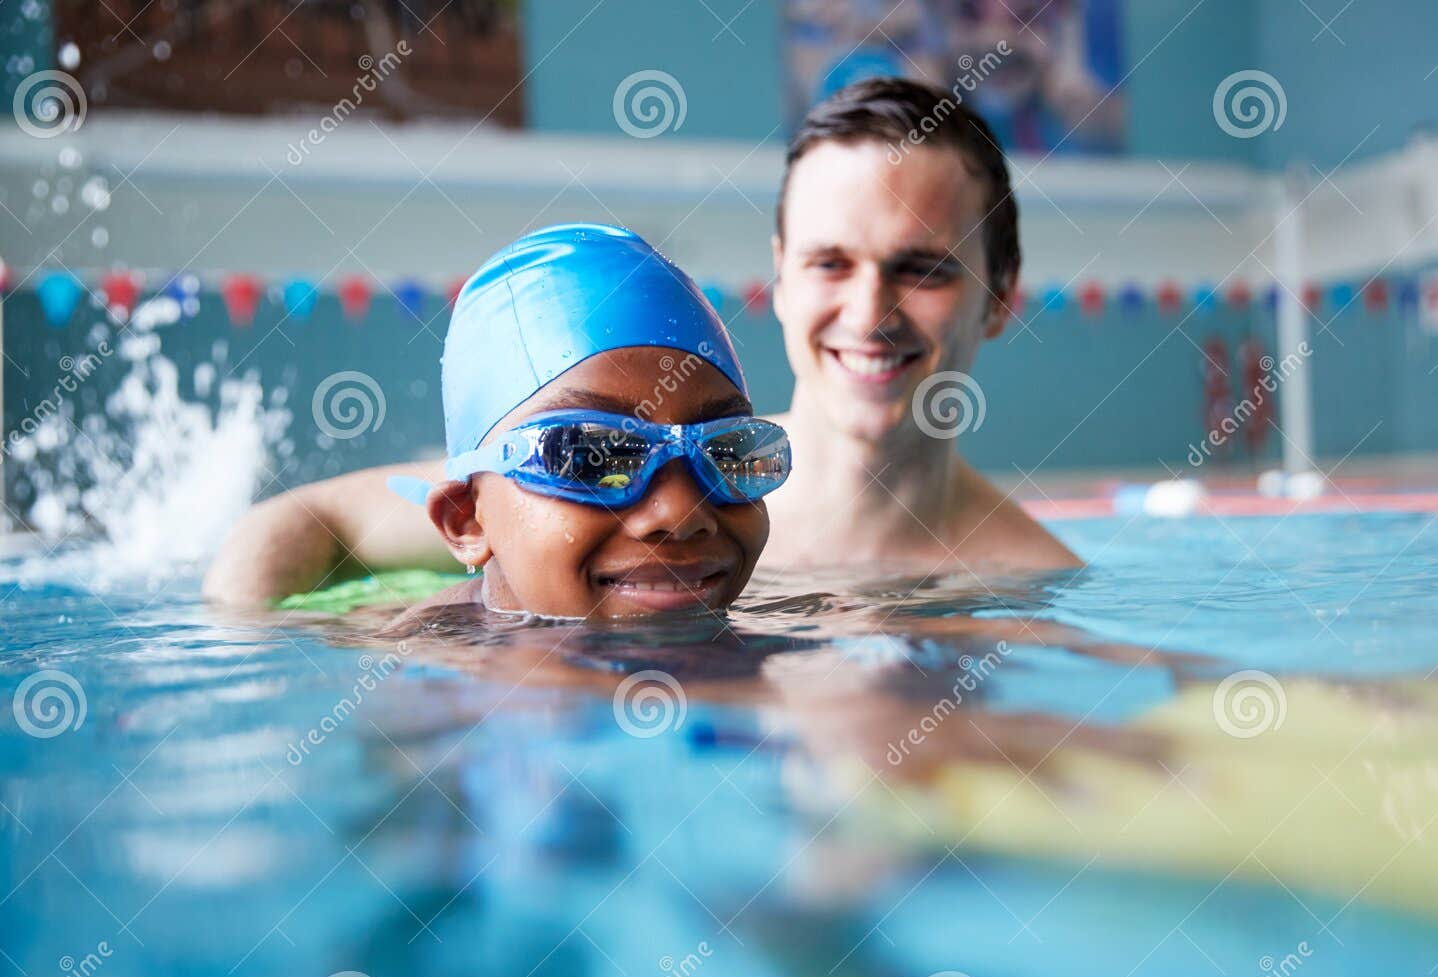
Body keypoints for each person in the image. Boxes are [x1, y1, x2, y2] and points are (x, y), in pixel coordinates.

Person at [203, 77, 1078, 607]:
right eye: (829, 262)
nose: (868, 309)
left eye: (923, 269)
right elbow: (302, 520)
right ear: (780, 274)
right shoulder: (584, 466)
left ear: (1000, 297)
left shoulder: (1019, 581)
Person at [205, 224, 790, 618]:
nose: (682, 514)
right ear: (466, 521)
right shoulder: (428, 687)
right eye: (589, 456)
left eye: (728, 452)